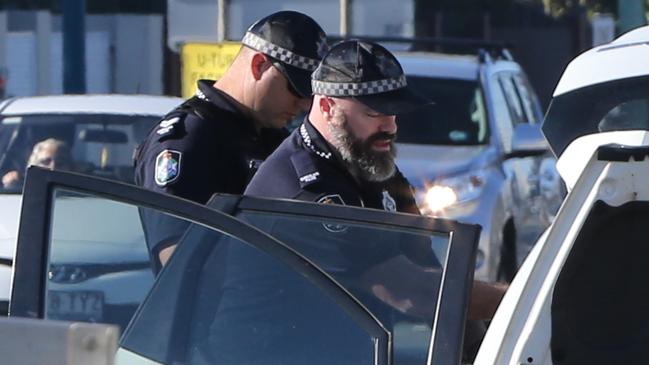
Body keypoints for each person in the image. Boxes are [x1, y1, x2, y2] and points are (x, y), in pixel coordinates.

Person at [245, 40, 507, 321]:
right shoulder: (307, 191)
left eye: (394, 112)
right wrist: (523, 301)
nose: (390, 127)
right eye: (374, 113)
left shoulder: (370, 165)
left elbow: (430, 274)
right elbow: (409, 293)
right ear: (327, 106)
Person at [133, 11, 328, 270]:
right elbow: (180, 262)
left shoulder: (271, 135)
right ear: (259, 65)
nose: (304, 104)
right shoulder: (189, 139)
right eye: (297, 88)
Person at [1, 138, 73, 189]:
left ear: (69, 167)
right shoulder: (20, 184)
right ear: (33, 164)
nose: (53, 168)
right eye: (45, 162)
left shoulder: (77, 192)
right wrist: (11, 186)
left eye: (60, 163)